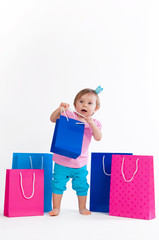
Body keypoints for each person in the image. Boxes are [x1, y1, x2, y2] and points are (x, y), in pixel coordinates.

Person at [49, 87, 103, 216]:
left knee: (82, 185)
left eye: (90, 103)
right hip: (62, 161)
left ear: (95, 109)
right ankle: (56, 208)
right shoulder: (69, 115)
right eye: (81, 101)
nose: (84, 105)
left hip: (80, 164)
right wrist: (59, 109)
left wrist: (92, 124)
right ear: (75, 104)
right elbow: (52, 119)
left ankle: (82, 207)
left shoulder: (94, 123)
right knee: (58, 184)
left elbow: (98, 137)